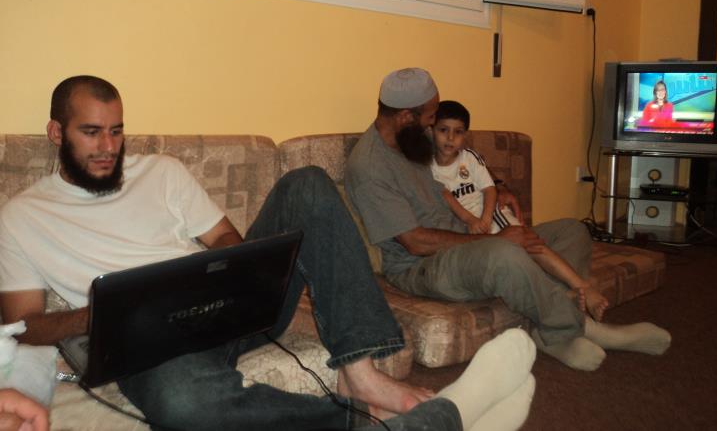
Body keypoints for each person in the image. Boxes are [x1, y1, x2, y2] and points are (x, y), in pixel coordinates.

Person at [0, 75, 538, 431]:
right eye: (92, 133)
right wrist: (98, 314)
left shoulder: (161, 171)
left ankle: (362, 372)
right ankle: (386, 422)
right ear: (56, 133)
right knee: (184, 404)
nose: (108, 147)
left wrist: (224, 277)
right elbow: (23, 328)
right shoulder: (22, 217)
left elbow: (228, 242)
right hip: (150, 350)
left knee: (306, 184)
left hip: (231, 308)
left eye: (117, 131)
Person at [345, 67, 672, 373]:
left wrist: (498, 188)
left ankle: (549, 332)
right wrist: (496, 239)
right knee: (504, 254)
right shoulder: (371, 167)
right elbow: (415, 242)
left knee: (571, 231)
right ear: (406, 116)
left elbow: (464, 162)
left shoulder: (411, 139)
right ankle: (577, 327)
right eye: (431, 118)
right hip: (421, 266)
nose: (434, 127)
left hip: (464, 235)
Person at [431, 100, 609, 321]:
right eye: (443, 130)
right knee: (514, 256)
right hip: (467, 228)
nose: (450, 138)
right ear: (431, 130)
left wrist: (485, 218)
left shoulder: (470, 157)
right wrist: (470, 220)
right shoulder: (427, 166)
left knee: (534, 244)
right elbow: (446, 196)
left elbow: (490, 189)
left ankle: (579, 287)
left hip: (491, 215)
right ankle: (563, 297)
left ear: (464, 135)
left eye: (457, 132)